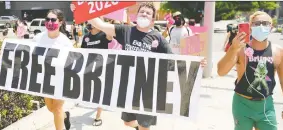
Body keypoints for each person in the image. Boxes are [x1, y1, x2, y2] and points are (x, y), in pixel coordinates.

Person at [71, 2, 207, 130]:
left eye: (148, 13)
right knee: (127, 122)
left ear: (153, 20)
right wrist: (80, 9)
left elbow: (173, 59)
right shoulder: (125, 31)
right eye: (142, 12)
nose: (144, 14)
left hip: (147, 91)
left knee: (144, 125)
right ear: (136, 16)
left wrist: (195, 64)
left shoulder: (158, 38)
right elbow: (99, 24)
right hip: (129, 90)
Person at [217, 11, 283, 130]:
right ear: (250, 27)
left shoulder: (279, 52)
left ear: (271, 27)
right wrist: (233, 48)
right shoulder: (240, 49)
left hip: (266, 105)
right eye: (257, 23)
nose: (261, 26)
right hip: (242, 103)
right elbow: (221, 71)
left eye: (265, 23)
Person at [32, 9, 71, 130]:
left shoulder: (65, 42)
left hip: (60, 80)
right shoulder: (38, 38)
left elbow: (71, 63)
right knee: (51, 108)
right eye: (47, 19)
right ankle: (65, 116)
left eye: (53, 20)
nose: (49, 22)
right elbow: (27, 52)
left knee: (57, 108)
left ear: (60, 22)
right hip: (45, 79)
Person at [80, 22, 113, 126]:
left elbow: (110, 36)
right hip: (89, 68)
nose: (89, 24)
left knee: (99, 92)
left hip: (101, 67)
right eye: (88, 22)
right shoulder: (86, 37)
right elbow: (83, 52)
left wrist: (104, 24)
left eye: (92, 22)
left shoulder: (104, 35)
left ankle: (98, 116)